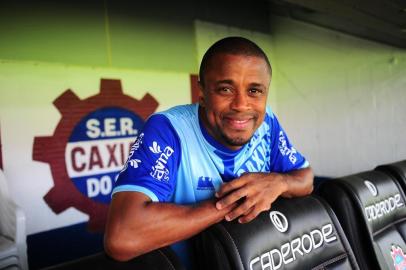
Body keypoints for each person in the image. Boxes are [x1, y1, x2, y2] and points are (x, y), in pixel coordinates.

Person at [104, 36, 314, 269]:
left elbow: (305, 178)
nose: (241, 105)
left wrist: (279, 182)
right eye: (225, 89)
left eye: (255, 91)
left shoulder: (267, 123)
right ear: (202, 93)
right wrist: (237, 200)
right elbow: (122, 236)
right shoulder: (169, 129)